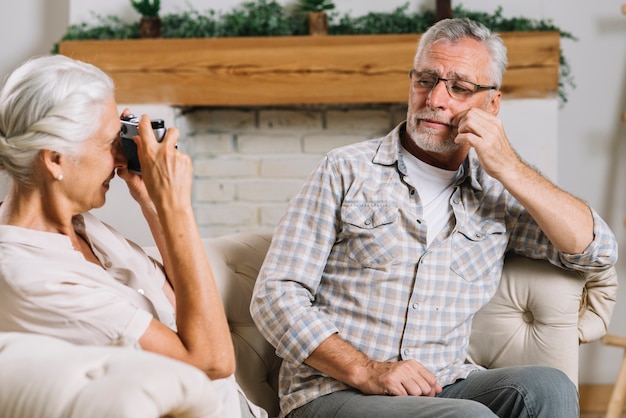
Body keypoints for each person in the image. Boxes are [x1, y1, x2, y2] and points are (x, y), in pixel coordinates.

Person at [250, 17, 618, 418]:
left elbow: (595, 251)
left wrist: (509, 167)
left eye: (459, 87)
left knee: (546, 387)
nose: (435, 99)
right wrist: (366, 370)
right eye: (425, 80)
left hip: (444, 383)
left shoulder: (495, 197)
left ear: (491, 105)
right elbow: (276, 294)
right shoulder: (345, 169)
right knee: (468, 417)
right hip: (334, 392)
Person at [0, 55, 266, 418]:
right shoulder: (30, 276)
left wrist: (154, 202)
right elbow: (212, 362)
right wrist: (177, 208)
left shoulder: (81, 224)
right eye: (110, 141)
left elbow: (181, 302)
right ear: (55, 159)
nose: (120, 157)